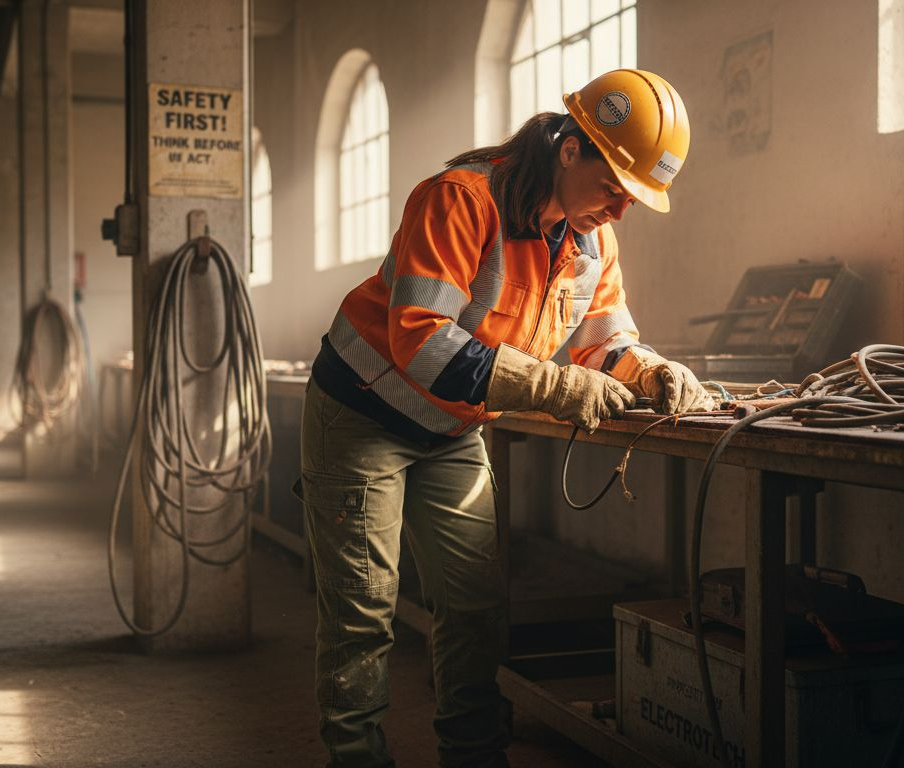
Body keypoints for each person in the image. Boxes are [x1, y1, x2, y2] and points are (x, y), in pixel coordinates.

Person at [299, 68, 712, 767]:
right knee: (363, 616)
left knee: (476, 609)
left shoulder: (591, 242)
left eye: (633, 198)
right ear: (569, 148)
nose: (619, 210)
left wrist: (650, 370)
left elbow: (603, 341)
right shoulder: (459, 200)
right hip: (362, 416)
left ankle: (473, 756)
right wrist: (550, 386)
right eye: (613, 186)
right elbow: (422, 342)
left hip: (451, 430)